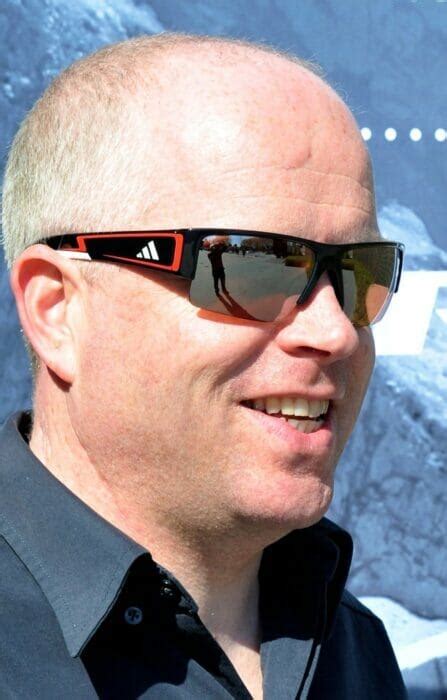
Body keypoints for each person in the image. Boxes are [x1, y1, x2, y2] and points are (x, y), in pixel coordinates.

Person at [0, 33, 407, 699]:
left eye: (358, 274)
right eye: (253, 266)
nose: (336, 332)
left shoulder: (353, 647)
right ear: (58, 311)